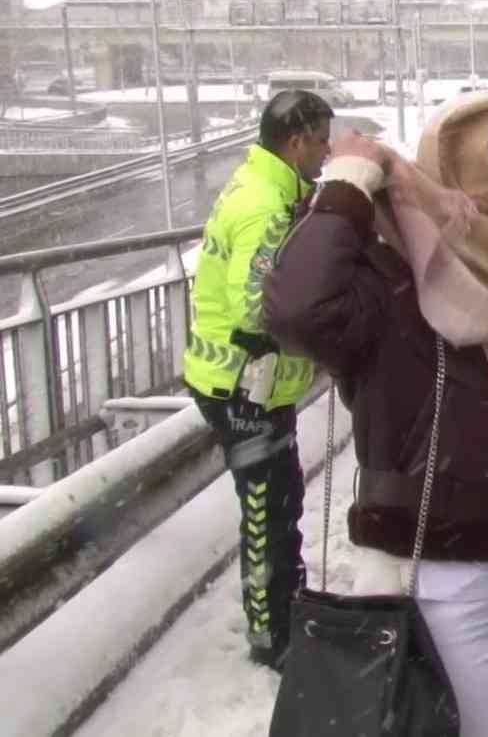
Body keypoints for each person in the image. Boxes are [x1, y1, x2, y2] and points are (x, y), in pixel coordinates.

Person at [264, 90, 488, 737]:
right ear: (451, 180)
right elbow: (298, 309)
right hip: (420, 588)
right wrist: (350, 182)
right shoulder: (394, 280)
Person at [182, 88, 330, 670]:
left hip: (252, 385)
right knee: (267, 514)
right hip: (244, 389)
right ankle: (272, 639)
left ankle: (287, 610)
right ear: (295, 143)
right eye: (320, 141)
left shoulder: (267, 183)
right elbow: (257, 309)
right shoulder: (268, 205)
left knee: (282, 499)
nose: (327, 151)